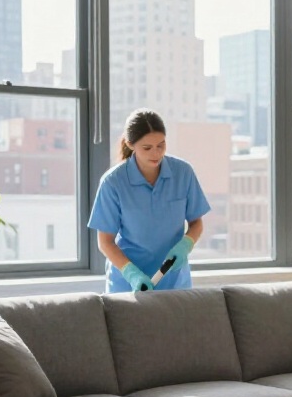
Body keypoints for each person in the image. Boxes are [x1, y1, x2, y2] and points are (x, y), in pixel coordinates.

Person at [89, 109, 211, 293]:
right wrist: (132, 274)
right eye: (147, 148)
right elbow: (105, 242)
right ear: (131, 144)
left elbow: (196, 222)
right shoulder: (113, 183)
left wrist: (186, 244)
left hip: (175, 283)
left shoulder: (183, 173)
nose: (156, 153)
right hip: (127, 286)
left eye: (161, 145)